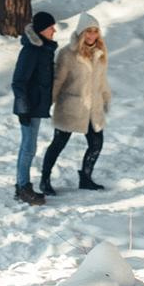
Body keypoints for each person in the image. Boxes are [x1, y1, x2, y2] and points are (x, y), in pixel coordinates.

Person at [41, 23, 110, 195]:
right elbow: (58, 80)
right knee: (58, 143)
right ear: (81, 32)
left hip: (93, 107)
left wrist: (105, 99)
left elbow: (101, 81)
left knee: (96, 144)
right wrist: (48, 102)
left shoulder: (100, 53)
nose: (92, 36)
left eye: (95, 32)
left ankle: (86, 178)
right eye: (88, 31)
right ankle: (45, 179)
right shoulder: (67, 53)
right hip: (71, 107)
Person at [8, 10, 61, 206]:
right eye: (50, 27)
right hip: (29, 108)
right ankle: (23, 188)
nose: (54, 30)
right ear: (40, 30)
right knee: (28, 148)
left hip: (35, 106)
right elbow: (18, 81)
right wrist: (23, 109)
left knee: (29, 147)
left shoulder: (43, 49)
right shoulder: (31, 50)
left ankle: (21, 186)